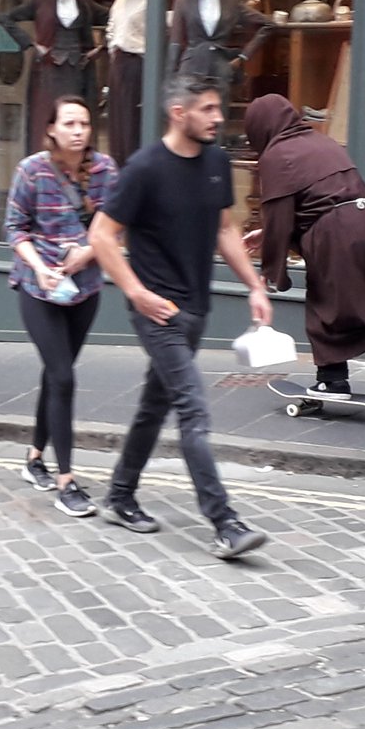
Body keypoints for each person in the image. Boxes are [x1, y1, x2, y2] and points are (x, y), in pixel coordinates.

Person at [88, 74, 273, 560]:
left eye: (218, 108)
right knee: (193, 408)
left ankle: (120, 496)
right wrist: (136, 293)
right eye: (208, 109)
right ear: (178, 112)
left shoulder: (216, 162)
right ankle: (224, 523)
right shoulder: (144, 169)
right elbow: (101, 235)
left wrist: (254, 286)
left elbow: (225, 229)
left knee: (155, 404)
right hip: (159, 312)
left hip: (196, 307)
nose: (218, 118)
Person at [241, 94, 365, 397]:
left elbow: (279, 214)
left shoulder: (277, 154)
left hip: (341, 233)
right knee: (357, 306)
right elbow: (323, 196)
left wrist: (269, 271)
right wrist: (269, 234)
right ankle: (331, 378)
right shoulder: (320, 141)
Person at [4, 95, 118, 517]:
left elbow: (116, 227)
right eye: (69, 123)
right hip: (39, 289)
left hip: (84, 289)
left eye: (84, 124)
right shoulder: (31, 170)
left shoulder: (105, 170)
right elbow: (15, 229)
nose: (78, 131)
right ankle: (66, 482)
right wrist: (40, 268)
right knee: (63, 376)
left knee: (57, 375)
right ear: (51, 129)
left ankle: (34, 458)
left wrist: (86, 254)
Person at [0, 0, 107, 154]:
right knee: (47, 119)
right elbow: (6, 18)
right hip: (49, 70)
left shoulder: (83, 0)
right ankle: (47, 163)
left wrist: (101, 47)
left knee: (77, 118)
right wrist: (32, 44)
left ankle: (77, 161)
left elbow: (112, 17)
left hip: (78, 72)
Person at [167, 0, 273, 96]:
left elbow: (268, 24)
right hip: (191, 70)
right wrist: (170, 78)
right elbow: (175, 42)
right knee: (191, 109)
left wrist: (243, 57)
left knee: (218, 111)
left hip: (221, 71)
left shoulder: (232, 1)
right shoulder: (183, 0)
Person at [105, 0, 148, 166]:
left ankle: (133, 169)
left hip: (137, 63)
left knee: (132, 122)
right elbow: (111, 29)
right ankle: (118, 167)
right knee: (116, 122)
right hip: (118, 63)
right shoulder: (121, 0)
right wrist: (112, 47)